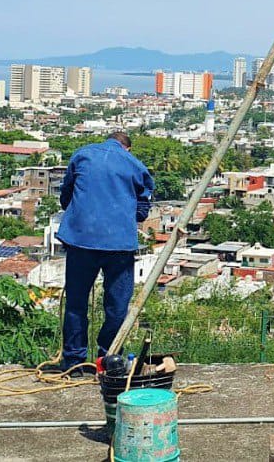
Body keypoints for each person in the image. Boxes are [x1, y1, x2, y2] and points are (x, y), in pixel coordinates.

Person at [56, 131, 155, 370]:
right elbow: (143, 209)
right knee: (117, 307)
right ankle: (108, 360)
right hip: (119, 246)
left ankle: (74, 362)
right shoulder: (135, 165)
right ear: (127, 148)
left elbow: (66, 194)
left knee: (76, 304)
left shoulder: (82, 155)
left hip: (81, 240)